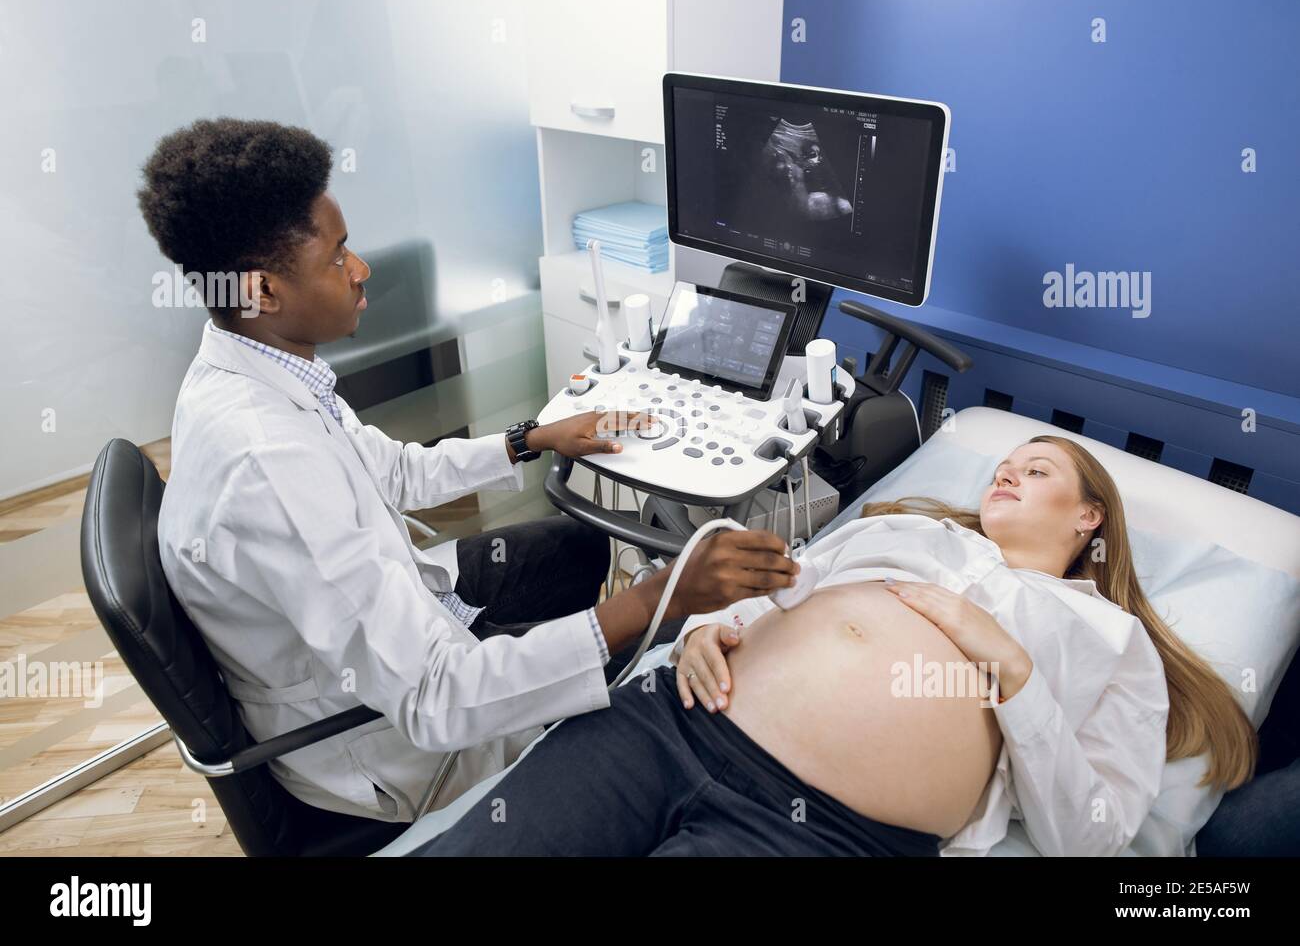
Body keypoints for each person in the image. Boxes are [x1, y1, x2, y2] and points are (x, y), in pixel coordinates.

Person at [138, 118, 796, 823]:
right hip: (382, 739)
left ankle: (579, 670)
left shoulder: (251, 366)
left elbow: (387, 472)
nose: (361, 269)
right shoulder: (268, 463)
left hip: (390, 632)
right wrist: (660, 595)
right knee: (658, 693)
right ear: (264, 292)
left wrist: (532, 439)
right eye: (336, 258)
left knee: (581, 549)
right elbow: (438, 699)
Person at [415, 436, 1258, 856]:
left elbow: (1094, 835)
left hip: (819, 831)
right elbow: (766, 590)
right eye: (1003, 462)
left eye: (1038, 471)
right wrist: (707, 631)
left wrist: (1010, 666)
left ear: (1089, 518)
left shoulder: (1113, 639)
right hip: (667, 725)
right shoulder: (915, 529)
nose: (1007, 472)